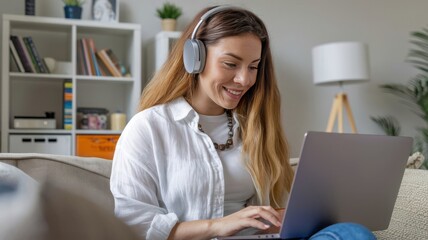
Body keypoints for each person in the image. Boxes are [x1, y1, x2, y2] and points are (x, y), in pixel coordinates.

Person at [110, 5, 377, 240]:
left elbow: (262, 217)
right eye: (230, 64)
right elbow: (134, 226)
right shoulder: (149, 128)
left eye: (253, 67)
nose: (244, 80)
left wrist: (280, 217)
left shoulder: (256, 127)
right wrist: (217, 226)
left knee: (353, 233)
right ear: (195, 58)